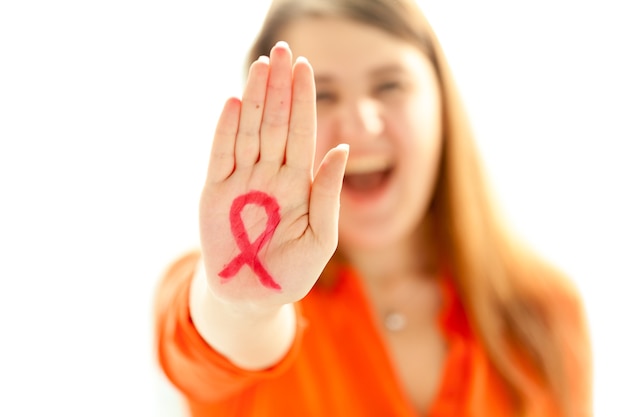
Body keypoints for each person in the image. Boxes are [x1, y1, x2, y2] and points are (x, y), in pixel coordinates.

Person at [153, 0, 592, 415]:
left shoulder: (544, 311)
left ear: (441, 102)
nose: (362, 123)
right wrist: (245, 307)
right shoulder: (215, 284)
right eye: (321, 94)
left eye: (390, 85)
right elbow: (220, 337)